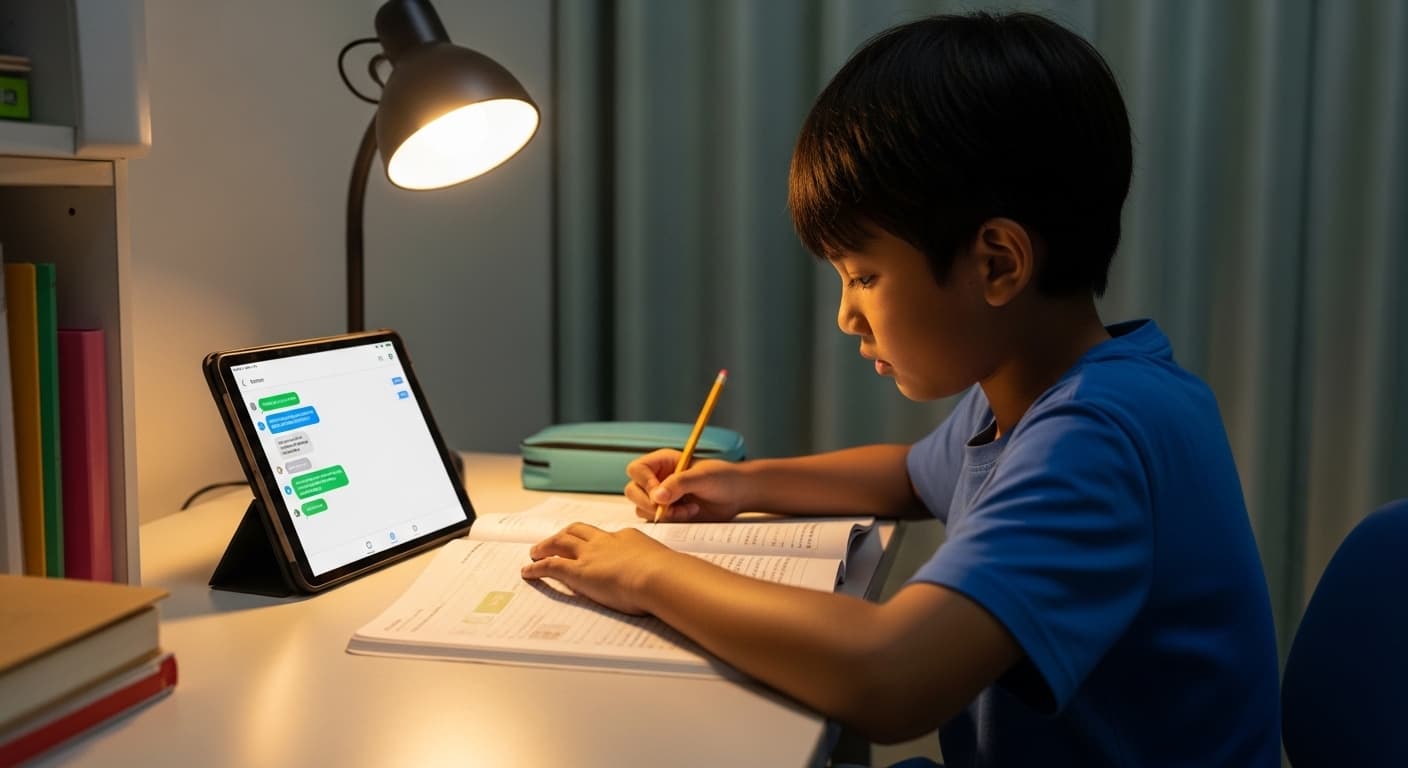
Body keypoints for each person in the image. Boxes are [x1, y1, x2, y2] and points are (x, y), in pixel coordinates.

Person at [520, 10, 1281, 766]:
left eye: (864, 276)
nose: (849, 314)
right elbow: (912, 475)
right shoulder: (1036, 392)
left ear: (997, 264)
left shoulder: (1097, 437)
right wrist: (742, 484)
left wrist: (647, 570)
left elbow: (891, 675)